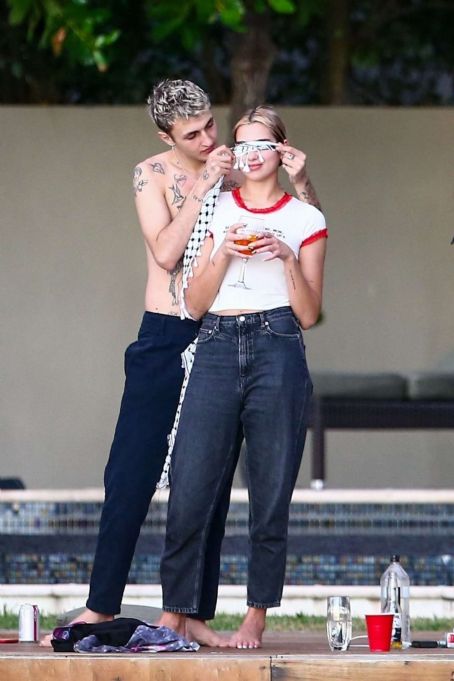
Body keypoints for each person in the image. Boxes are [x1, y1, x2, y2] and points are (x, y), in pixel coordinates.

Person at [41, 80, 321, 646]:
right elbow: (167, 253)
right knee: (131, 471)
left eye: (210, 127)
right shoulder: (152, 174)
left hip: (226, 331)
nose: (206, 139)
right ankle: (100, 606)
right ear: (165, 135)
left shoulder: (238, 166)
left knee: (207, 483)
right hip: (166, 333)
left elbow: (304, 223)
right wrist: (203, 187)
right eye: (191, 134)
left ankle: (191, 610)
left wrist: (299, 177)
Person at [157, 105, 328, 649]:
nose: (253, 155)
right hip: (215, 343)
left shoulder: (306, 218)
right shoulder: (215, 206)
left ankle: (256, 614)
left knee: (270, 489)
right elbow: (195, 302)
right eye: (244, 145)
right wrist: (225, 254)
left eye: (263, 145)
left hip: (278, 345)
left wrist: (283, 258)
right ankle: (176, 613)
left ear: (281, 150)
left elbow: (308, 314)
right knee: (191, 484)